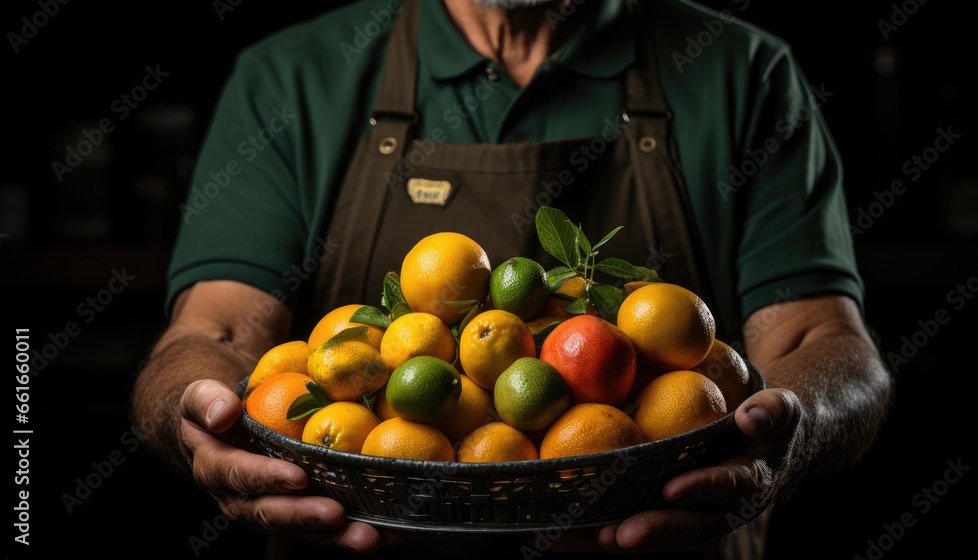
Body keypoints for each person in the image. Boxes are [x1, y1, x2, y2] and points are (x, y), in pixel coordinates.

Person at [129, 0, 895, 558]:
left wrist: (792, 433)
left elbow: (821, 339)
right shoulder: (292, 78)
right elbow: (216, 334)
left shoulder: (742, 72)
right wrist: (194, 416)